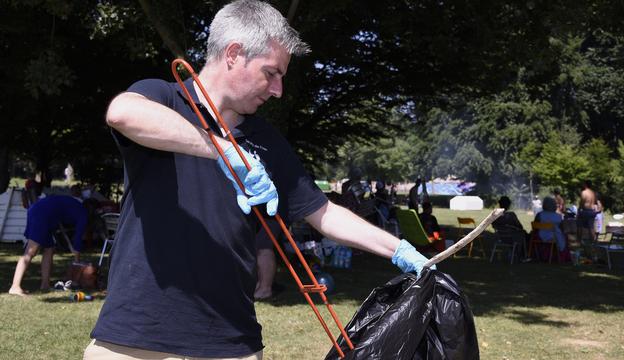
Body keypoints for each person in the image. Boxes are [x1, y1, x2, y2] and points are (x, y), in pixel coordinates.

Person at [84, 2, 433, 359]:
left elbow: (323, 212)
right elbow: (123, 113)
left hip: (230, 342)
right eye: (271, 73)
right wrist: (225, 152)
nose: (278, 89)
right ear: (234, 54)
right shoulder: (163, 97)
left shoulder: (266, 140)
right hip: (135, 338)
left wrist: (400, 250)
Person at [8, 185, 87, 296]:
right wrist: (77, 262)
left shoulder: (75, 205)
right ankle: (15, 286)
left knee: (49, 249)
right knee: (30, 251)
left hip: (39, 210)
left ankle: (45, 285)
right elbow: (78, 240)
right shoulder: (83, 214)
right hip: (42, 215)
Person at [254, 218, 281, 300]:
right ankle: (260, 286)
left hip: (271, 216)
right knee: (259, 247)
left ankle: (265, 289)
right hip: (259, 217)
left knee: (263, 247)